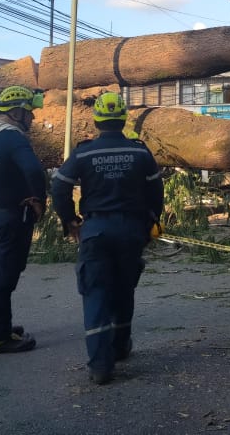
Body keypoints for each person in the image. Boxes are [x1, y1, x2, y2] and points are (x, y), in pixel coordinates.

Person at [50, 91, 164, 385]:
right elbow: (156, 192)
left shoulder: (84, 153)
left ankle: (101, 366)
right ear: (123, 119)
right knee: (124, 289)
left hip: (95, 231)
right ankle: (120, 347)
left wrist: (70, 221)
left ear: (97, 120)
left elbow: (59, 187)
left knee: (96, 292)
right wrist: (151, 220)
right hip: (131, 232)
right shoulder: (140, 152)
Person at [0, 85, 46, 354]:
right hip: (10, 219)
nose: (33, 118)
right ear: (16, 112)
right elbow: (35, 172)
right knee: (2, 278)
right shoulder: (14, 140)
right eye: (29, 112)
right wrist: (38, 198)